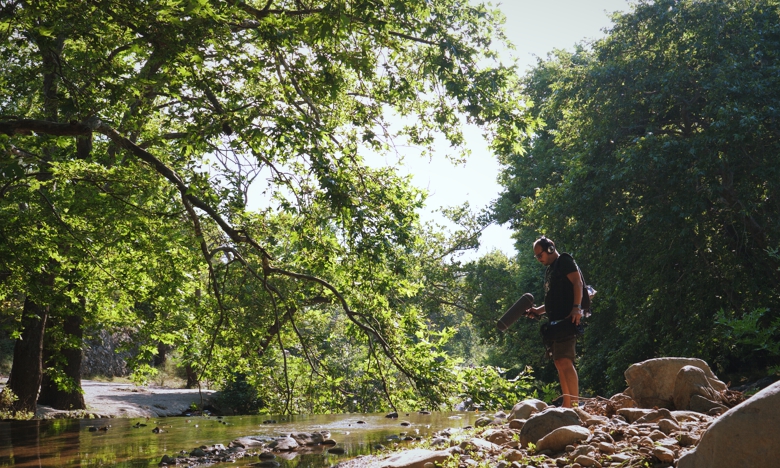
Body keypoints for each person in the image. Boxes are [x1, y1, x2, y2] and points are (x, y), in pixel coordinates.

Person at [526, 236, 584, 407]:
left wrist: (576, 308)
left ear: (550, 249)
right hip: (555, 323)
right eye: (536, 256)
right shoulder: (551, 270)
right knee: (559, 362)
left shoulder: (564, 261)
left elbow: (578, 283)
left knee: (565, 361)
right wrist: (538, 311)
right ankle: (567, 403)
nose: (539, 259)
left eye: (540, 255)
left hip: (567, 319)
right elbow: (555, 299)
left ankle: (575, 405)